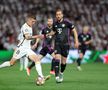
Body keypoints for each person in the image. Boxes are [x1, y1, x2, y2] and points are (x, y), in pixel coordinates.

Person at [0, 14, 45, 83]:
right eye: (33, 21)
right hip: (20, 48)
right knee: (11, 63)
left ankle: (41, 77)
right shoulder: (25, 27)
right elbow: (27, 37)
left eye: (34, 22)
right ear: (29, 19)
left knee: (37, 59)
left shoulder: (30, 27)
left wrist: (31, 45)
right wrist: (38, 36)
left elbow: (27, 39)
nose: (33, 23)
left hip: (27, 49)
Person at [47, 9, 79, 83]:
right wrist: (48, 34)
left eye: (59, 14)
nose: (58, 16)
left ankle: (61, 73)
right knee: (57, 59)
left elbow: (74, 31)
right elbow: (54, 32)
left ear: (62, 15)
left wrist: (76, 41)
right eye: (57, 14)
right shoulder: (54, 24)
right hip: (57, 44)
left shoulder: (67, 23)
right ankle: (57, 77)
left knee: (63, 62)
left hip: (66, 44)